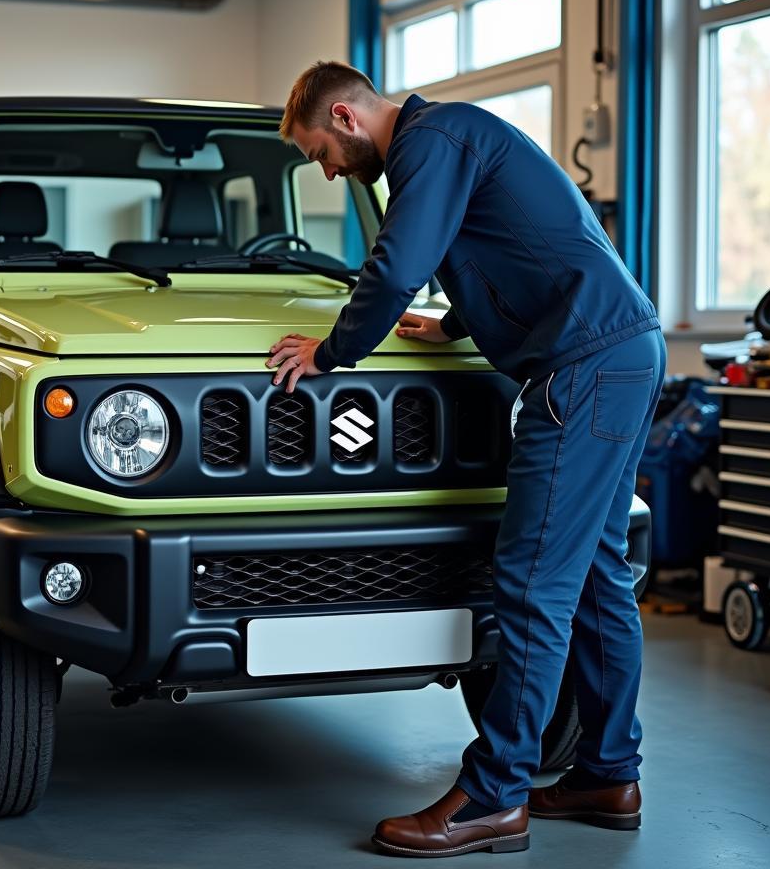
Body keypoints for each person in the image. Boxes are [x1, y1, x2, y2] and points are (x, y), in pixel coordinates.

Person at [267, 60, 665, 858]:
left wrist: (333, 352)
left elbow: (399, 262)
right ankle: (608, 774)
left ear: (344, 117)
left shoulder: (425, 145)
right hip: (622, 349)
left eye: (320, 153)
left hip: (582, 367)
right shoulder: (452, 136)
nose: (330, 169)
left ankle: (493, 795)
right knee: (594, 579)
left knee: (530, 583)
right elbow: (512, 244)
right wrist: (450, 327)